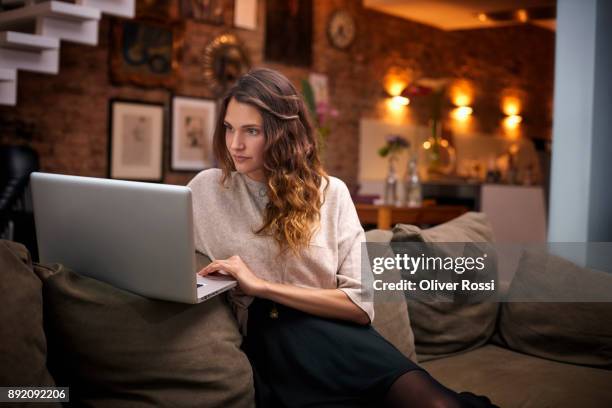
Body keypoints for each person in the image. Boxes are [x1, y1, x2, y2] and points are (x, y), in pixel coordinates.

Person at [187, 68, 497, 408]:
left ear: (281, 134)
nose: (236, 144)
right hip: (276, 347)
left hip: (345, 339)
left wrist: (261, 285)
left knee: (440, 405)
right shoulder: (207, 190)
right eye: (229, 128)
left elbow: (359, 305)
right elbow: (163, 253)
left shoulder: (330, 193)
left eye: (252, 131)